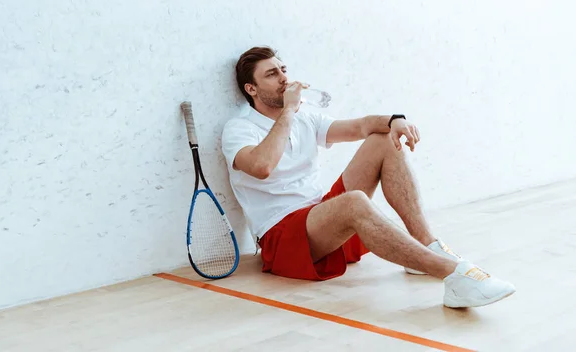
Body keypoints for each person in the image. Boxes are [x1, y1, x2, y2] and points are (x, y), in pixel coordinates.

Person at [221, 46, 516, 308]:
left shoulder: (306, 117)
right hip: (282, 237)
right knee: (354, 202)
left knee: (384, 138)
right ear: (252, 89)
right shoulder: (239, 129)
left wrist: (394, 120)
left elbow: (359, 127)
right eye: (272, 74)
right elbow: (262, 167)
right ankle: (452, 273)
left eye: (284, 69)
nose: (284, 78)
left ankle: (427, 244)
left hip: (319, 216)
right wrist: (288, 112)